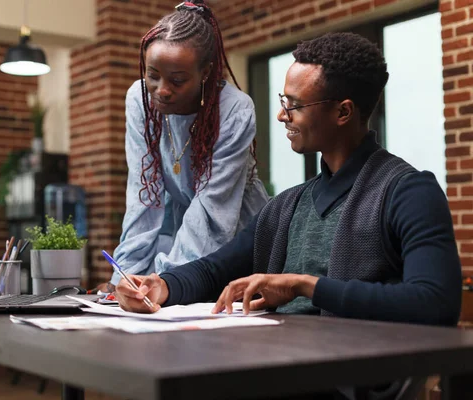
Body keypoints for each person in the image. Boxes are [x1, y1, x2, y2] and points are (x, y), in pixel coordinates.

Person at [115, 32, 462, 328]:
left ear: (343, 112)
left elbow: (435, 303)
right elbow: (214, 270)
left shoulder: (409, 192)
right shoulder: (286, 206)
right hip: (277, 362)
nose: (281, 115)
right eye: (283, 101)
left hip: (345, 377)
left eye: (294, 105)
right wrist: (161, 285)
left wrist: (304, 286)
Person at [101, 1, 268, 291]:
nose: (162, 90)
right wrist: (125, 277)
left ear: (206, 73)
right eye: (153, 75)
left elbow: (212, 210)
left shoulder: (234, 110)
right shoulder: (140, 99)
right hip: (178, 224)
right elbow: (143, 195)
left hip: (233, 228)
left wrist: (167, 281)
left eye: (177, 80)